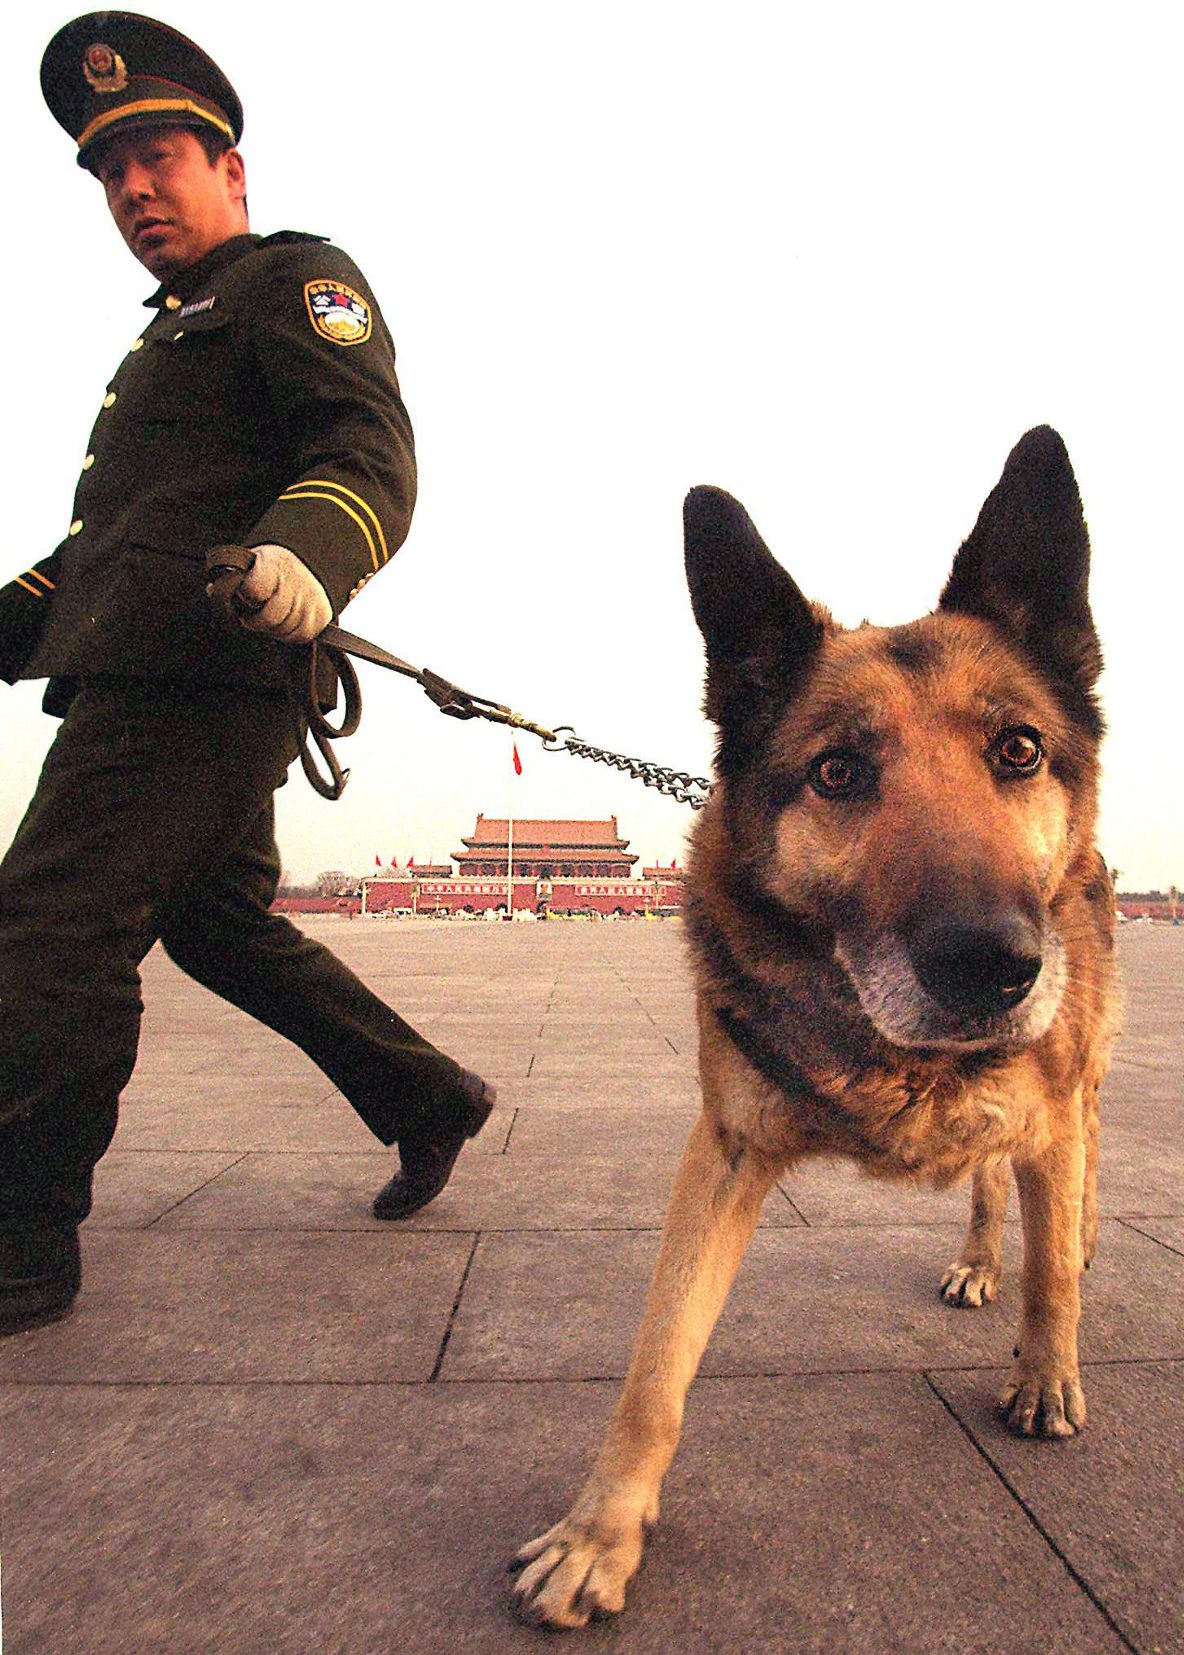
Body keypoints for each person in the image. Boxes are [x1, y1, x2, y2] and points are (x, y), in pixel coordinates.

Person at [0, 13, 494, 1335]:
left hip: (200, 681)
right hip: (141, 667)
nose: (135, 192)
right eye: (111, 174)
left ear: (231, 168)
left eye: (159, 155)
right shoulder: (165, 340)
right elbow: (108, 545)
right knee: (218, 926)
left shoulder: (293, 284)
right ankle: (426, 1096)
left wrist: (305, 556)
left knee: (45, 933)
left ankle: (19, 1241)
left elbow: (366, 445)